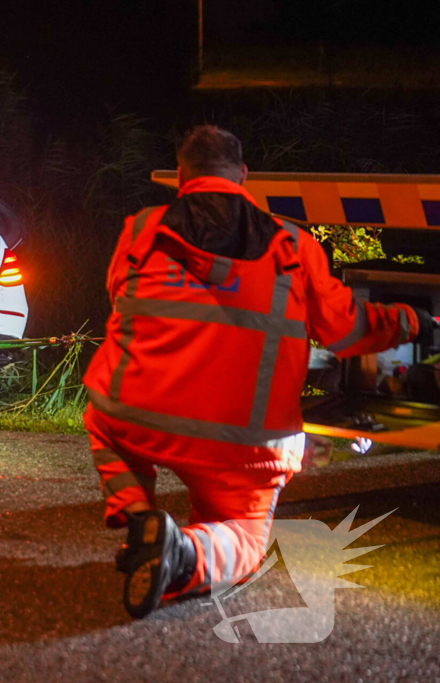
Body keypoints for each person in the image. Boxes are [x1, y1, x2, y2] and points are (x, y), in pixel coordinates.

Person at [82, 125, 436, 618]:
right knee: (245, 540)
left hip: (139, 417)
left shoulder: (142, 229)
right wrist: (415, 320)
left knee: (104, 420)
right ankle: (185, 553)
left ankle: (142, 518)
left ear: (182, 175)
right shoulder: (293, 246)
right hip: (244, 442)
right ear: (244, 176)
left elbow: (124, 299)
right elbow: (349, 332)